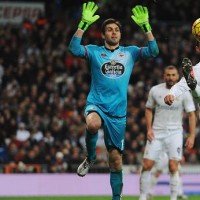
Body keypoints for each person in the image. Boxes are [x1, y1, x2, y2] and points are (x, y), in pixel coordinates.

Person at [68, 1, 159, 200]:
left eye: (116, 29)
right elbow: (74, 49)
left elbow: (154, 51)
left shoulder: (130, 52)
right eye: (109, 30)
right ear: (103, 35)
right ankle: (91, 157)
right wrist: (83, 24)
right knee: (92, 123)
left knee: (116, 162)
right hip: (97, 104)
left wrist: (147, 28)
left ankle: (116, 199)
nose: (114, 32)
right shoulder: (93, 51)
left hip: (118, 113)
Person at [139, 65, 196, 200]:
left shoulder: (184, 92)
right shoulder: (155, 90)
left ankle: (174, 197)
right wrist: (149, 129)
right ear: (164, 76)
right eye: (168, 75)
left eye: (173, 75)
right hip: (156, 133)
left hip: (175, 133)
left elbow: (191, 114)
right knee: (147, 165)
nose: (170, 77)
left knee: (173, 166)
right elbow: (148, 109)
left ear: (177, 76)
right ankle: (142, 197)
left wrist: (192, 135)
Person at [164, 41, 200, 106]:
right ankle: (193, 87)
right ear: (198, 49)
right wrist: (171, 94)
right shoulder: (197, 70)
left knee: (194, 88)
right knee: (192, 84)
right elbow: (180, 86)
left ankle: (194, 87)